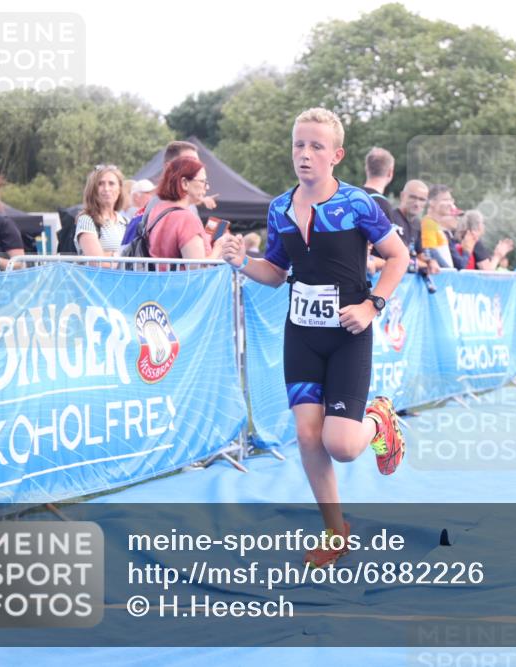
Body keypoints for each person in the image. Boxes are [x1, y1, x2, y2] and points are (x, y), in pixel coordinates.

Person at [220, 108, 410, 568]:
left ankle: (379, 419)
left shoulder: (358, 204)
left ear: (336, 155)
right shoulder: (279, 208)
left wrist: (372, 306)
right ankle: (335, 531)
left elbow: (398, 256)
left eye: (316, 146)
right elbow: (275, 272)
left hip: (348, 334)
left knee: (341, 446)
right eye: (298, 145)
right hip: (302, 335)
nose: (305, 154)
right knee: (308, 436)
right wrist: (241, 261)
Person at [145, 156, 226, 269]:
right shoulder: (186, 218)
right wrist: (218, 248)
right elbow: (197, 268)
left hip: (159, 278)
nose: (207, 187)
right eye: (203, 181)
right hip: (183, 280)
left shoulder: (157, 210)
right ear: (184, 183)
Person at [75, 165, 129, 261]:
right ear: (93, 190)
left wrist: (110, 256)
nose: (106, 188)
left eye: (111, 183)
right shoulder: (86, 220)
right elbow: (97, 262)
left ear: (120, 189)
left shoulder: (126, 222)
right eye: (100, 184)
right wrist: (124, 258)